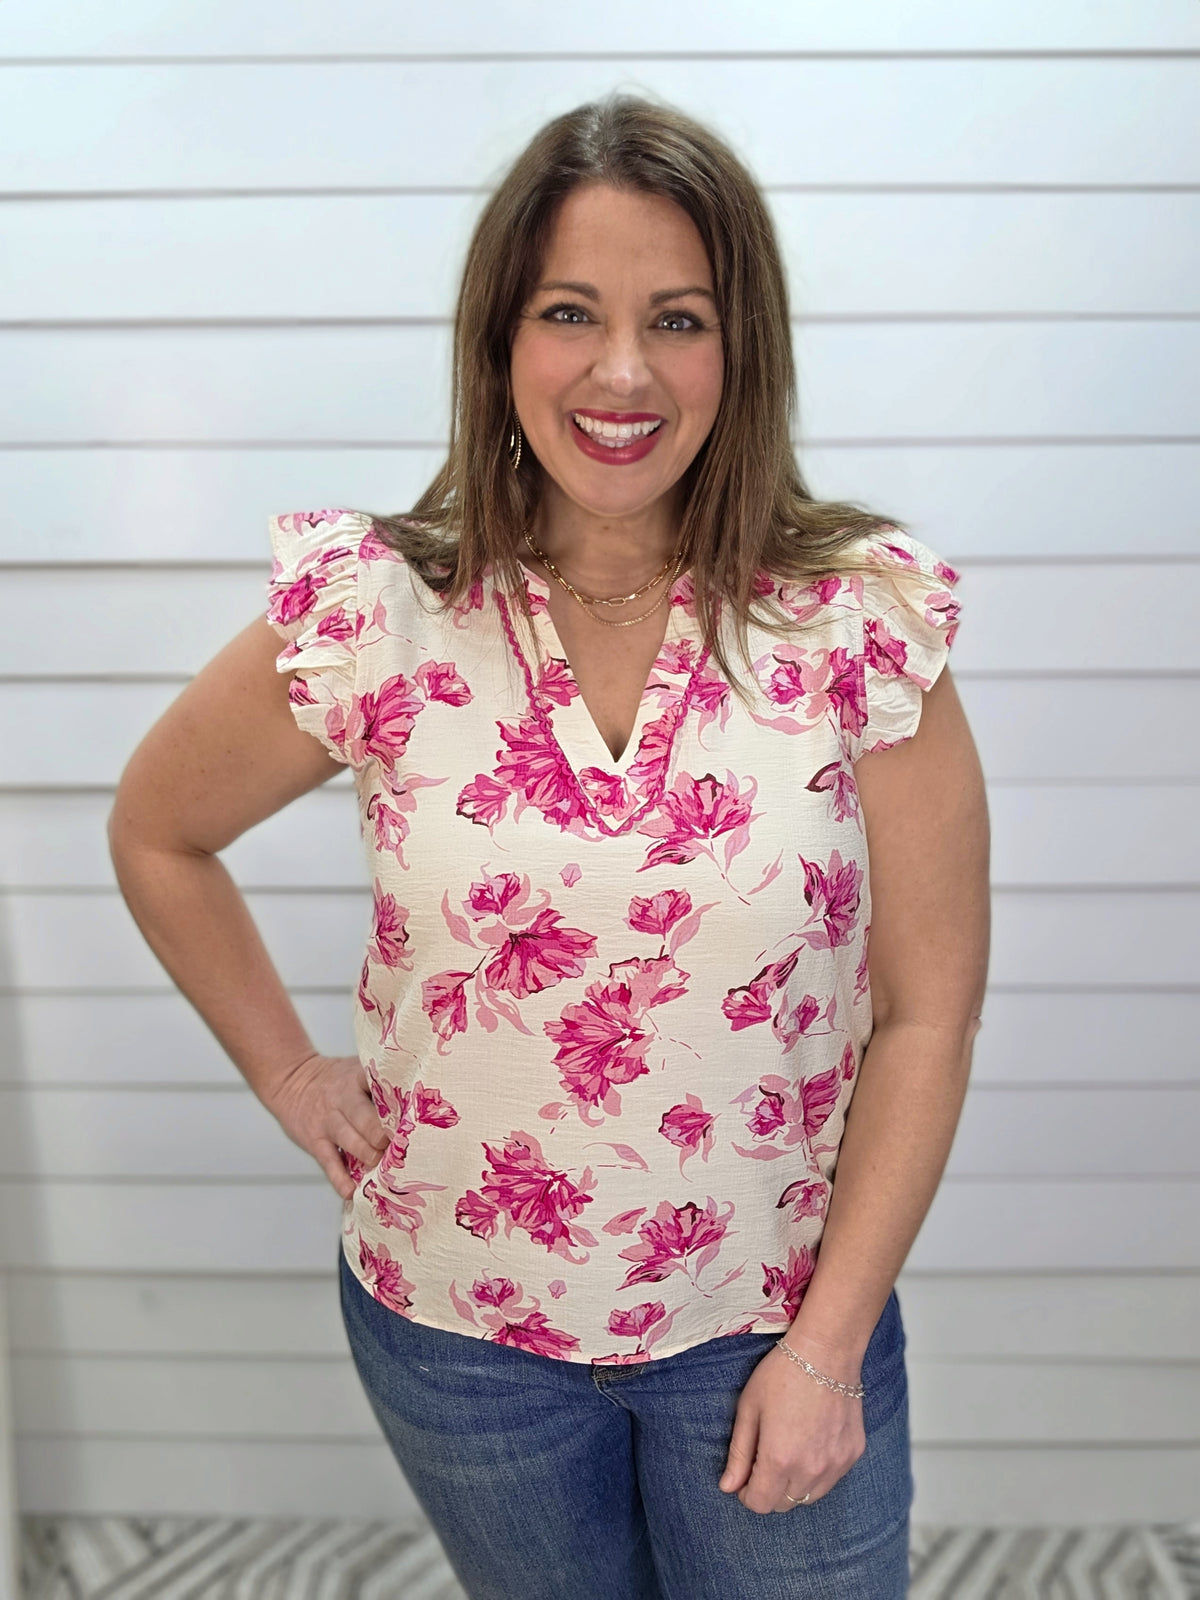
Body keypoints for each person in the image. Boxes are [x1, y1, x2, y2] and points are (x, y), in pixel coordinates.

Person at [109, 94, 990, 1600]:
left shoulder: (856, 620)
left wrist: (832, 1344)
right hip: (459, 1339)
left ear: (744, 347)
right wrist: (290, 1072)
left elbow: (925, 1010)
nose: (624, 371)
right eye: (570, 312)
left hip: (768, 1318)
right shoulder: (377, 611)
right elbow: (159, 833)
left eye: (681, 318)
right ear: (501, 340)